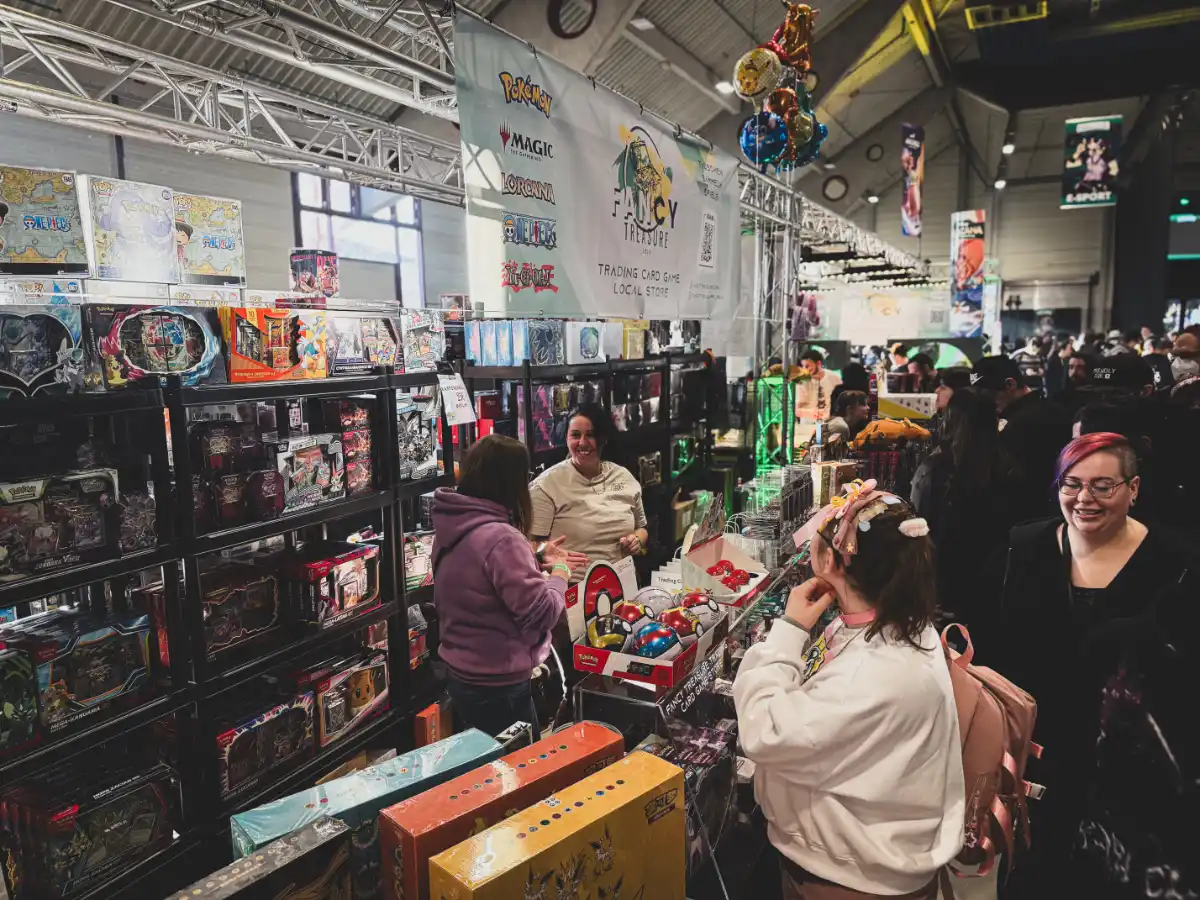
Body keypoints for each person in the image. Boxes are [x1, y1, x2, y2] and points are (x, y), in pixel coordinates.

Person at [988, 433, 1196, 899]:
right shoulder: (1023, 546)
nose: (1085, 499)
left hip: (1131, 771)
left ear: (1134, 488)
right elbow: (993, 646)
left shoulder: (1176, 561)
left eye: (1104, 486)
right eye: (1072, 483)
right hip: (1035, 757)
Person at [734, 482, 964, 899]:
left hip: (848, 877)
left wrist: (788, 632)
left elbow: (763, 731)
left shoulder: (870, 675)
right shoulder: (906, 623)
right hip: (870, 857)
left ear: (833, 560)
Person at [431, 434, 574, 735]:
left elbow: (481, 580)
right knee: (520, 773)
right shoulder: (502, 538)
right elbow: (544, 613)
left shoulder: (452, 527)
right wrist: (561, 572)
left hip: (461, 676)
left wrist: (534, 555)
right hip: (499, 684)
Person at [910, 388, 1014, 621]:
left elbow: (920, 528)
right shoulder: (1007, 465)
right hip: (995, 583)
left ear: (950, 419)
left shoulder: (935, 469)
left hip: (944, 584)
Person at [530, 404, 648, 573]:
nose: (583, 443)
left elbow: (642, 528)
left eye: (591, 435)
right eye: (575, 435)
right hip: (570, 589)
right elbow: (530, 545)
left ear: (603, 438)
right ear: (566, 438)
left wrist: (636, 540)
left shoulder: (624, 476)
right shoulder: (546, 486)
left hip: (623, 584)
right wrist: (543, 553)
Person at [971, 355, 1073, 526]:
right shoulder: (1054, 409)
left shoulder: (1021, 424)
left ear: (1010, 384)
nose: (984, 402)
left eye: (988, 394)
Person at [794, 349, 842, 420]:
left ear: (818, 363)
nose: (805, 369)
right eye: (803, 366)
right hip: (808, 422)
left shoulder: (834, 378)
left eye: (807, 366)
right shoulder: (801, 381)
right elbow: (797, 408)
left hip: (829, 421)